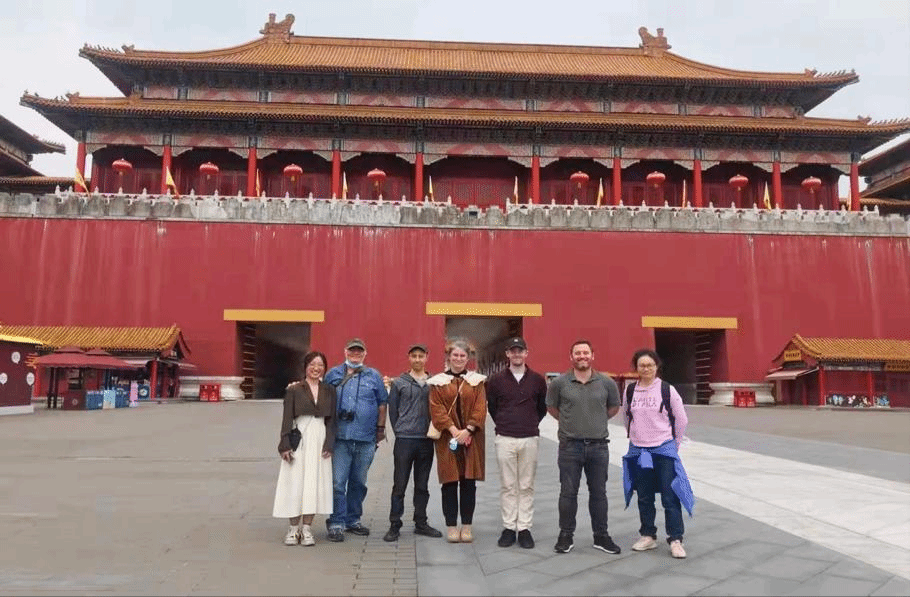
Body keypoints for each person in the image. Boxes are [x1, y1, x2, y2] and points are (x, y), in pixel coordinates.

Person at [546, 339, 622, 555]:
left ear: (592, 356)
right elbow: (552, 408)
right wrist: (570, 422)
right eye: (577, 353)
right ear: (571, 357)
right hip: (570, 446)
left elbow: (613, 407)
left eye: (585, 352)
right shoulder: (559, 383)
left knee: (599, 493)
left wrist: (595, 420)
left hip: (598, 447)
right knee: (568, 493)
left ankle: (601, 535)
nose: (582, 356)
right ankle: (565, 535)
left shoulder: (606, 382)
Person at [622, 348, 694, 559]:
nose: (646, 369)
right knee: (644, 495)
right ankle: (648, 535)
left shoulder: (666, 389)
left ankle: (675, 539)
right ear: (636, 368)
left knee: (670, 496)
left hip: (663, 449)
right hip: (640, 450)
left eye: (650, 365)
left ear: (657, 366)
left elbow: (681, 419)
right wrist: (635, 436)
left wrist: (674, 444)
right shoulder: (630, 390)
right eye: (642, 365)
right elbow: (626, 416)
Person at [324, 338, 389, 542]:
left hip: (366, 438)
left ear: (365, 354)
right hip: (340, 438)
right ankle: (336, 522)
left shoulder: (374, 376)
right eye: (352, 351)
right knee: (337, 482)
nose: (355, 354)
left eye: (359, 351)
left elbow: (382, 403)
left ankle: (353, 519)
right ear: (345, 352)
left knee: (359, 482)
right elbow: (319, 395)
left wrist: (380, 429)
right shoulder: (333, 374)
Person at [486, 337, 548, 549]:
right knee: (508, 485)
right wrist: (506, 422)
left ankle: (524, 528)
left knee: (526, 485)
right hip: (505, 437)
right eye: (513, 351)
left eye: (520, 351)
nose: (517, 354)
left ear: (526, 353)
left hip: (529, 437)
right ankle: (508, 527)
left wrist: (529, 422)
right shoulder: (496, 380)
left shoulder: (537, 380)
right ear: (507, 354)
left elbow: (542, 408)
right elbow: (493, 407)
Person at [272, 351, 336, 546]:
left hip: (319, 438)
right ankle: (293, 529)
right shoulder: (294, 390)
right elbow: (286, 419)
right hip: (299, 438)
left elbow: (332, 420)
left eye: (320, 365)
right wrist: (284, 445)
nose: (316, 368)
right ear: (305, 367)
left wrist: (329, 443)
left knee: (314, 483)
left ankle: (307, 528)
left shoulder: (329, 390)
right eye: (312, 364)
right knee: (295, 482)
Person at [428, 339, 487, 543]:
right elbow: (436, 409)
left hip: (472, 438)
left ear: (468, 358)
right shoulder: (438, 382)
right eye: (455, 355)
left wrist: (468, 429)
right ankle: (451, 526)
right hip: (447, 438)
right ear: (448, 357)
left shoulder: (477, 381)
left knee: (469, 483)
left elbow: (481, 407)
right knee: (450, 482)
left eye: (463, 355)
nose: (459, 359)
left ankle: (467, 526)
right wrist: (454, 430)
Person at [383, 343, 444, 541]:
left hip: (426, 439)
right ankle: (394, 524)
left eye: (421, 356)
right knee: (399, 484)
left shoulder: (434, 383)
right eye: (414, 356)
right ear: (409, 358)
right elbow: (393, 411)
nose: (417, 359)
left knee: (422, 485)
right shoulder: (399, 383)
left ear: (427, 358)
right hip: (405, 440)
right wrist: (400, 430)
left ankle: (421, 522)